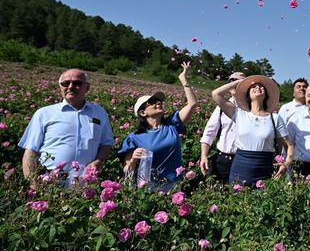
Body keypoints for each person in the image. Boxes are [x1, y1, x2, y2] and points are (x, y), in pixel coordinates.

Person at [19, 69, 114, 185]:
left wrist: (99, 161)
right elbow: (30, 153)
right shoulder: (44, 113)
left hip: (85, 187)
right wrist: (34, 186)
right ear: (60, 86)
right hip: (49, 186)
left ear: (87, 88)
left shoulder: (99, 112)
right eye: (65, 83)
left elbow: (106, 143)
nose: (70, 87)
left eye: (77, 83)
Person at [118, 62, 197, 190]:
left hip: (174, 185)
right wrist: (133, 159)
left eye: (159, 101)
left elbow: (192, 104)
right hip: (148, 187)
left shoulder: (172, 124)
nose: (158, 102)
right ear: (142, 112)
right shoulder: (134, 138)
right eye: (152, 102)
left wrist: (183, 79)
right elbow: (127, 170)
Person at [212, 75, 294, 187]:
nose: (257, 87)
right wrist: (241, 82)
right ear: (247, 96)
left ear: (266, 95)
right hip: (240, 168)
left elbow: (289, 145)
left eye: (261, 86)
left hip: (265, 169)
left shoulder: (274, 118)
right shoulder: (239, 114)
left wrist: (286, 163)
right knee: (239, 201)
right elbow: (215, 94)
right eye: (253, 87)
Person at [199, 72, 246, 182]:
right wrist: (204, 155)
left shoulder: (250, 109)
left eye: (238, 81)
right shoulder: (221, 107)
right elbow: (209, 133)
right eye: (231, 81)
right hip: (223, 159)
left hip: (242, 160)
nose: (234, 83)